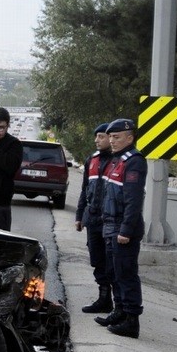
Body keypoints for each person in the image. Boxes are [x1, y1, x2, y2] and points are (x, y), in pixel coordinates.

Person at [95, 117, 147, 338]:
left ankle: (131, 320)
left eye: (116, 137)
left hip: (122, 229)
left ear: (130, 137)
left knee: (126, 274)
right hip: (110, 226)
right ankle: (119, 311)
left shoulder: (134, 161)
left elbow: (133, 201)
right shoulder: (117, 160)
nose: (112, 141)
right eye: (111, 137)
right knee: (114, 273)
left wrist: (125, 230)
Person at [75, 123, 114, 312]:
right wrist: (79, 216)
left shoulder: (120, 161)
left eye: (101, 136)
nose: (96, 140)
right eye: (96, 136)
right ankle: (104, 299)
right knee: (97, 260)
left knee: (111, 262)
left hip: (111, 220)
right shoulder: (92, 160)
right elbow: (84, 190)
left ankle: (116, 303)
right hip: (92, 219)